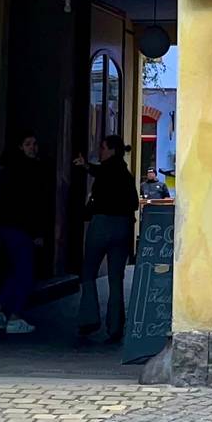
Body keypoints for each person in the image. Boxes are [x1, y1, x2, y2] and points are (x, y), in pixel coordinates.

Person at [71, 133, 139, 342]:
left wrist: (85, 166)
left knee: (89, 272)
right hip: (123, 227)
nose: (100, 151)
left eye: (102, 147)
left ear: (110, 150)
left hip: (101, 225)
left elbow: (100, 172)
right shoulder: (126, 175)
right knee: (115, 278)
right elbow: (135, 204)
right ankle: (115, 326)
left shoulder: (105, 172)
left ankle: (89, 319)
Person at [0, 133, 47, 335]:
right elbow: (33, 205)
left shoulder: (6, 170)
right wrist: (37, 232)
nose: (33, 147)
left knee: (14, 270)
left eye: (34, 143)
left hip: (6, 226)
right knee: (26, 273)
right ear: (21, 147)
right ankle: (15, 317)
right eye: (28, 144)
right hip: (22, 228)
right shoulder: (32, 171)